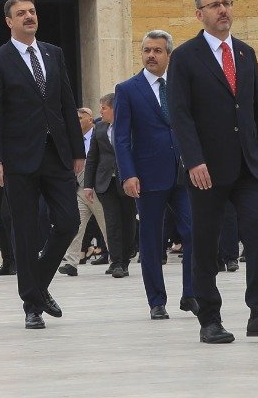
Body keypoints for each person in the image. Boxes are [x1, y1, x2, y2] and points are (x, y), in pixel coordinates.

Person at [168, 0, 258, 345]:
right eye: (214, 5)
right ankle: (209, 317)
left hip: (249, 165)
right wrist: (193, 160)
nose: (222, 10)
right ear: (199, 14)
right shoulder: (186, 57)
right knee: (206, 242)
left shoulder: (245, 53)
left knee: (257, 232)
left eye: (226, 3)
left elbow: (257, 108)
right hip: (206, 168)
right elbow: (180, 114)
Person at [0, 0, 85, 330]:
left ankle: (38, 283)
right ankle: (32, 305)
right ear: (8, 21)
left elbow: (66, 103)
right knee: (24, 232)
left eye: (32, 12)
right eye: (21, 13)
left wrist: (78, 151)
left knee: (69, 221)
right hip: (18, 158)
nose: (29, 17)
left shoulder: (53, 54)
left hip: (56, 153)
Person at [113, 29, 196, 320]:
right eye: (147, 50)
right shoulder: (127, 89)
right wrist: (127, 174)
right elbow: (120, 138)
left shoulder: (181, 85)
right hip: (147, 176)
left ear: (168, 55)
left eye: (157, 50)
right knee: (150, 239)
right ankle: (157, 301)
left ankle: (191, 295)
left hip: (184, 174)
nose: (151, 55)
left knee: (193, 233)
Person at [83, 93, 134, 279]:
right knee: (112, 222)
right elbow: (92, 158)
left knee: (128, 221)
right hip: (105, 183)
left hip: (127, 181)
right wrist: (88, 185)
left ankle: (125, 259)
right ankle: (117, 261)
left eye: (103, 108)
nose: (100, 111)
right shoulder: (99, 129)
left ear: (114, 108)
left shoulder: (130, 126)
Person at [63, 107, 109, 276]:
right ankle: (72, 262)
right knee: (76, 225)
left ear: (90, 119)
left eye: (80, 118)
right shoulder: (73, 139)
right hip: (79, 188)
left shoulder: (100, 134)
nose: (77, 121)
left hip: (97, 187)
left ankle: (117, 259)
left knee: (106, 225)